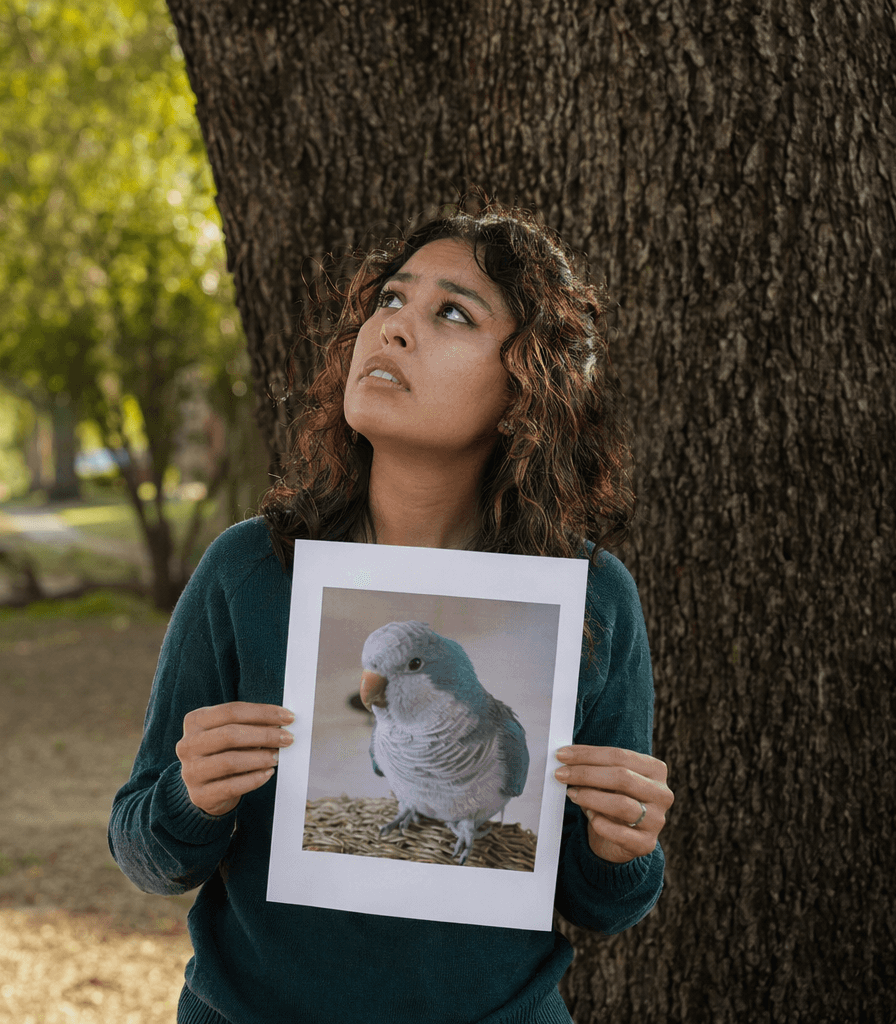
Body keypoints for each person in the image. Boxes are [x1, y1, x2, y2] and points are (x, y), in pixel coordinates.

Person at [108, 200, 674, 1024]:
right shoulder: (249, 571)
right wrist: (191, 798)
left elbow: (602, 904)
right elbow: (145, 854)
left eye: (451, 312)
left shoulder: (590, 596)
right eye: (390, 300)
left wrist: (625, 847)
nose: (396, 328)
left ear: (528, 387)